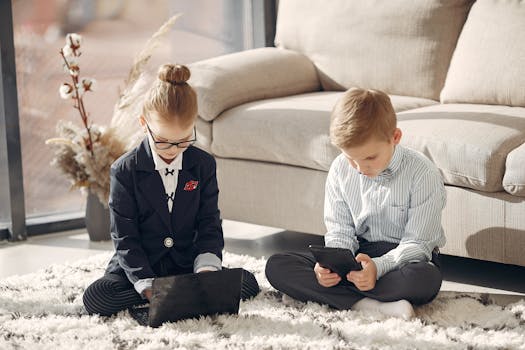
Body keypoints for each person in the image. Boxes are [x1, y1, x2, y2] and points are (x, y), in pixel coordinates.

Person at [83, 64, 260, 316]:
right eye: (164, 141)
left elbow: (209, 222)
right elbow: (125, 238)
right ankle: (173, 297)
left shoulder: (203, 164)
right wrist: (146, 285)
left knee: (247, 283)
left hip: (187, 265)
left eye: (184, 140)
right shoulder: (124, 170)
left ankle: (176, 296)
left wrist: (206, 272)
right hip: (141, 266)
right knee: (97, 299)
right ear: (144, 123)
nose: (174, 150)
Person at [265, 88, 445, 319]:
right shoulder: (340, 168)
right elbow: (340, 230)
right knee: (278, 266)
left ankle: (337, 297)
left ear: (395, 138)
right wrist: (330, 267)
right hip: (356, 255)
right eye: (351, 158)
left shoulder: (423, 173)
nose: (360, 168)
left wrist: (378, 267)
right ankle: (368, 304)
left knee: (424, 279)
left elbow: (418, 244)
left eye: (370, 157)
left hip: (404, 258)